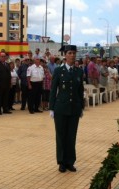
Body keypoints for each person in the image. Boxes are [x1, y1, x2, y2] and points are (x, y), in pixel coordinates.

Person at [49, 45, 84, 173]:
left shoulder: (79, 71)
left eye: (74, 53)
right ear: (65, 55)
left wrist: (81, 107)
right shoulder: (59, 71)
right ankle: (62, 162)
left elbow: (80, 91)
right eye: (70, 53)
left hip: (74, 108)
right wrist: (51, 108)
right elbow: (53, 90)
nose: (72, 55)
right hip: (61, 108)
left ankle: (70, 162)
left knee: (71, 136)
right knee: (61, 135)